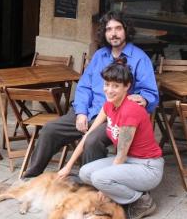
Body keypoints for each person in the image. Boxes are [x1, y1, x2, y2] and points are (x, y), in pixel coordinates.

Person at [22, 11, 159, 178]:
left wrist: (143, 98)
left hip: (113, 118)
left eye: (118, 28)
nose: (114, 33)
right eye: (109, 29)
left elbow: (150, 93)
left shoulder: (139, 58)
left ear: (126, 31)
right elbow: (84, 87)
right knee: (50, 130)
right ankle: (31, 177)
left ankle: (88, 184)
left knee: (92, 140)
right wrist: (81, 113)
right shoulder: (99, 55)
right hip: (89, 111)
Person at [57, 57, 163, 219]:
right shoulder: (108, 106)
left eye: (116, 86)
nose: (109, 90)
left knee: (100, 179)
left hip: (148, 167)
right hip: (129, 162)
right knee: (85, 172)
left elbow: (121, 154)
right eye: (107, 84)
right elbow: (88, 135)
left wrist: (103, 189)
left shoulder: (131, 110)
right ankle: (121, 195)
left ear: (127, 87)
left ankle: (142, 201)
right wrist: (67, 166)